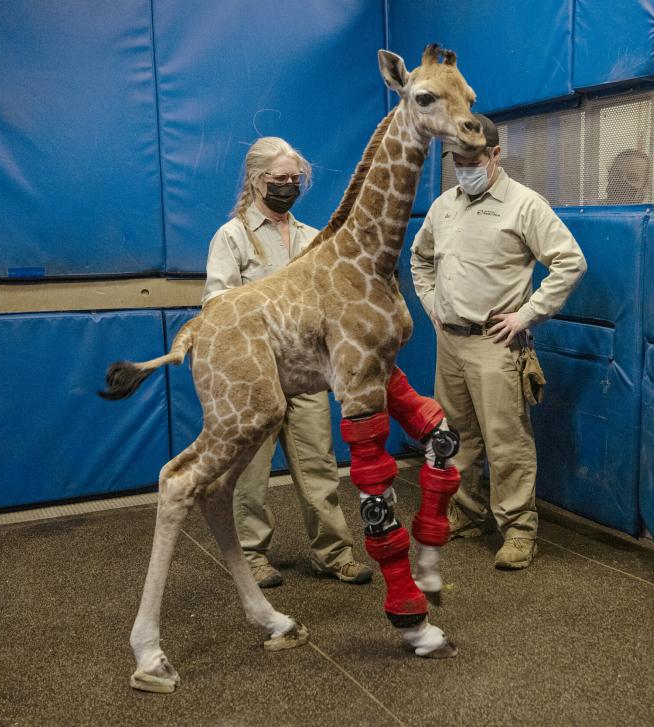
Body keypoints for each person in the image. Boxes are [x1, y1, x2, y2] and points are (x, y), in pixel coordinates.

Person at [411, 114, 587, 570]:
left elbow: (570, 262)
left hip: (494, 342)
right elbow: (420, 258)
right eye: (456, 160)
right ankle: (467, 513)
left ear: (495, 154)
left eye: (472, 159)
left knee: (506, 441)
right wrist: (433, 304)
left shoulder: (524, 205)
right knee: (455, 437)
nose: (464, 167)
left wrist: (528, 314)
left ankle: (518, 529)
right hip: (449, 341)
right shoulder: (443, 206)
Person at [202, 136, 372, 588]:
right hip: (255, 379)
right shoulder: (232, 236)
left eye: (295, 179)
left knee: (319, 465)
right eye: (279, 179)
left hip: (307, 373)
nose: (287, 186)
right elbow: (216, 304)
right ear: (257, 181)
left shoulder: (314, 238)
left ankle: (333, 553)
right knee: (251, 475)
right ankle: (252, 558)